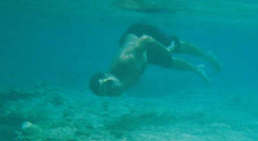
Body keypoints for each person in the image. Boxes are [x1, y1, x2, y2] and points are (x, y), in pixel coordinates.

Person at [89, 23, 221, 96]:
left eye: (108, 85)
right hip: (141, 55)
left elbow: (146, 39)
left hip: (139, 34)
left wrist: (166, 50)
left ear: (108, 75)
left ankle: (206, 56)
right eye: (107, 93)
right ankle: (197, 69)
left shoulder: (126, 60)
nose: (112, 90)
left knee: (174, 46)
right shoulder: (117, 84)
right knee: (167, 62)